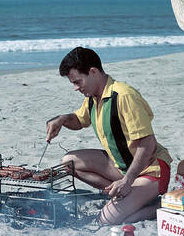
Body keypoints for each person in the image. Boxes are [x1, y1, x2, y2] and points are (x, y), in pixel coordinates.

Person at [46, 47, 172, 224]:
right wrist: (62, 119)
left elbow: (148, 143)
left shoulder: (124, 96)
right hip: (122, 167)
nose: (75, 88)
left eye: (77, 82)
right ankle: (123, 195)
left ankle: (159, 205)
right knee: (69, 162)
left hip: (150, 170)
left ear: (93, 71)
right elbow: (78, 120)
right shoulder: (92, 97)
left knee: (107, 219)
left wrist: (128, 181)